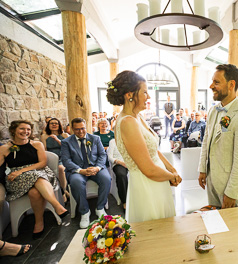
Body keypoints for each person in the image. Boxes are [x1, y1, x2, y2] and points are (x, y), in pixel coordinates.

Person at [106, 70, 182, 223]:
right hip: (147, 183)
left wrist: (171, 169)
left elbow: (153, 149)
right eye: (145, 92)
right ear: (130, 95)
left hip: (158, 177)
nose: (148, 97)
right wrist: (172, 176)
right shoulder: (127, 122)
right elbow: (148, 169)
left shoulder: (137, 116)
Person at [198, 64, 238, 208]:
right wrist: (202, 169)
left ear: (231, 85)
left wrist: (231, 192)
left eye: (216, 82)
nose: (211, 86)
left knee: (232, 228)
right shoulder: (213, 111)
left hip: (229, 186)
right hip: (211, 180)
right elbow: (206, 140)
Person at [0, 120, 69, 238]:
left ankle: (39, 223)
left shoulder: (36, 144)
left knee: (34, 191)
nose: (25, 132)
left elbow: (42, 163)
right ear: (13, 131)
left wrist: (22, 170)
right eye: (22, 129)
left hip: (39, 172)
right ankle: (57, 205)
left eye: (28, 129)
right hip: (18, 181)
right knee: (37, 177)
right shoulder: (5, 148)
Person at [61, 118, 111, 229]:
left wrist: (97, 168)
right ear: (72, 129)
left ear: (86, 127)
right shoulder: (66, 142)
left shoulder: (95, 138)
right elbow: (66, 160)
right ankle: (84, 212)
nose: (80, 131)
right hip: (77, 170)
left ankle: (100, 208)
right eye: (77, 129)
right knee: (76, 182)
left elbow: (102, 155)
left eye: (82, 128)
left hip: (95, 168)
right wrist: (80, 170)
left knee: (106, 179)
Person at [40, 117, 70, 202]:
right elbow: (45, 150)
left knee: (61, 168)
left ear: (59, 125)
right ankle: (65, 192)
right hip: (51, 157)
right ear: (48, 126)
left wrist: (57, 139)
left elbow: (67, 148)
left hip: (63, 157)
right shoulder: (44, 136)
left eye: (56, 123)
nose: (54, 125)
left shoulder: (64, 135)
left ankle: (63, 192)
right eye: (51, 123)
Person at [107, 139, 128, 210]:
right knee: (121, 175)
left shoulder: (130, 139)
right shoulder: (112, 141)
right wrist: (121, 162)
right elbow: (110, 157)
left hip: (130, 162)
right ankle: (125, 201)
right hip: (118, 163)